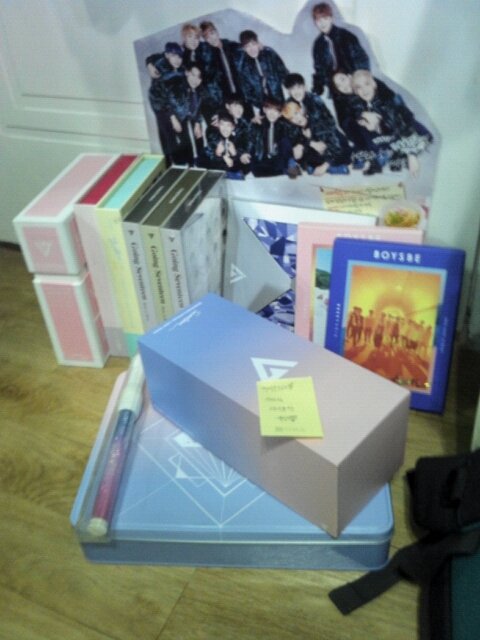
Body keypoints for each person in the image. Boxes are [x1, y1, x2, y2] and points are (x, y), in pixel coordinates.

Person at [351, 69, 433, 176]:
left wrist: (411, 155)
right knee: (361, 144)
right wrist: (365, 117)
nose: (364, 90)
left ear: (374, 84)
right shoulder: (361, 104)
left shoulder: (388, 102)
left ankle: (399, 155)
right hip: (388, 136)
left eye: (367, 84)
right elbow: (354, 112)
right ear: (356, 91)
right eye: (359, 87)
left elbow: (404, 127)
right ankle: (385, 155)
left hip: (407, 131)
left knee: (402, 154)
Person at [284, 73, 351, 174]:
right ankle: (303, 164)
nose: (296, 92)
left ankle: (328, 166)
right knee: (295, 147)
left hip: (326, 134)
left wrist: (326, 163)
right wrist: (307, 143)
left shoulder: (315, 100)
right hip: (307, 140)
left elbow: (328, 125)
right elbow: (291, 130)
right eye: (292, 89)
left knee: (343, 150)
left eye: (299, 87)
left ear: (305, 87)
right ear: (288, 91)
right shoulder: (289, 105)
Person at [311, 2, 370, 96]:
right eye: (318, 20)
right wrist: (317, 88)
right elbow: (319, 69)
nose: (322, 23)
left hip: (354, 84)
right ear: (315, 23)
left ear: (331, 18)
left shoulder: (347, 37)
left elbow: (361, 60)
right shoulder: (318, 45)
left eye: (325, 19)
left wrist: (356, 80)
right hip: (336, 90)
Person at [164, 62, 211, 166]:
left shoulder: (199, 91)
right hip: (177, 120)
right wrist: (173, 119)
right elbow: (167, 103)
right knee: (182, 146)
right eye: (193, 75)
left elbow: (198, 109)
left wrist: (198, 123)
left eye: (199, 77)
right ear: (187, 73)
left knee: (199, 137)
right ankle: (186, 164)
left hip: (191, 120)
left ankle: (198, 162)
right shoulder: (177, 86)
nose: (196, 80)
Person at [236, 30, 289, 122]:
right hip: (263, 109)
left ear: (258, 43)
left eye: (253, 44)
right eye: (247, 46)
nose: (252, 49)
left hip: (280, 103)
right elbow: (247, 93)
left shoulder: (269, 54)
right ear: (243, 49)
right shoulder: (243, 66)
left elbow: (284, 73)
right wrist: (262, 106)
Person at [145, 42, 185, 163]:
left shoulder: (174, 66)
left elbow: (151, 57)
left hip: (166, 103)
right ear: (167, 55)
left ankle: (169, 162)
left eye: (179, 56)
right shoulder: (163, 69)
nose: (177, 60)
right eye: (174, 56)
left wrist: (149, 63)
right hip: (160, 104)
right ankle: (174, 163)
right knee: (169, 134)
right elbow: (164, 96)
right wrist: (172, 117)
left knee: (166, 134)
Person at [199, 21, 243, 109]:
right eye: (207, 37)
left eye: (212, 33)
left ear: (217, 32)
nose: (212, 38)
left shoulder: (232, 46)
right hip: (226, 100)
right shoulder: (208, 56)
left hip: (242, 94)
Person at [251, 99, 294, 177]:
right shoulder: (257, 125)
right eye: (269, 109)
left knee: (285, 141)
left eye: (276, 111)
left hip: (278, 162)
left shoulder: (284, 126)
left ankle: (289, 166)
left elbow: (287, 147)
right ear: (264, 110)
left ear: (280, 114)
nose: (272, 114)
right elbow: (251, 145)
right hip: (261, 162)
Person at [200, 110, 244, 178]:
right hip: (216, 176)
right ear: (218, 125)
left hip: (233, 176)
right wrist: (218, 155)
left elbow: (242, 168)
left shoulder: (237, 141)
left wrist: (234, 154)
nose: (225, 129)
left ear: (233, 127)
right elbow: (206, 166)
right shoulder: (213, 140)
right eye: (222, 124)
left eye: (228, 125)